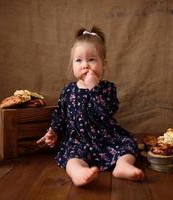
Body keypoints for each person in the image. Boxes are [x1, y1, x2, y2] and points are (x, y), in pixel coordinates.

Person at [37, 26, 144, 186]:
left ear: (104, 64)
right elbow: (60, 115)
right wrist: (53, 131)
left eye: (92, 59)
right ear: (72, 64)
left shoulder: (107, 88)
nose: (85, 65)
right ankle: (78, 172)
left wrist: (94, 88)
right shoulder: (68, 90)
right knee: (72, 157)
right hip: (78, 140)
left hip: (107, 138)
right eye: (78, 60)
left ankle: (123, 166)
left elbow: (106, 111)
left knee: (129, 144)